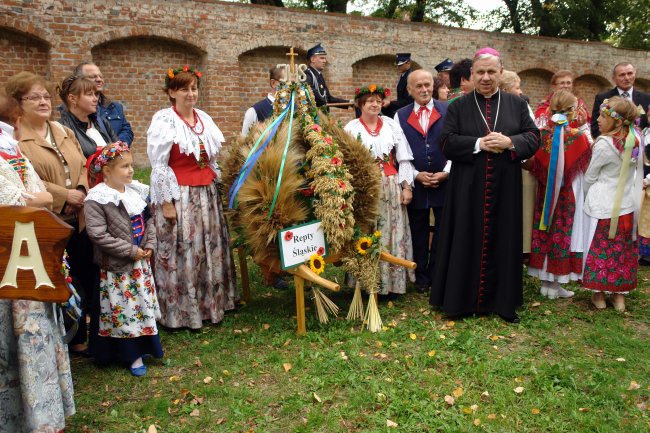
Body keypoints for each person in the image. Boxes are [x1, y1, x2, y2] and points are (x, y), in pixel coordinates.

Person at [429, 47, 540, 323]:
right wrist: (477, 143)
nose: (486, 77)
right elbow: (445, 143)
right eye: (481, 72)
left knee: (504, 239)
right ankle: (459, 302)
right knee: (465, 238)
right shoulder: (457, 106)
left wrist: (510, 142)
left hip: (505, 187)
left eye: (492, 71)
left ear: (501, 73)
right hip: (466, 188)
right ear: (472, 75)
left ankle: (503, 304)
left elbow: (534, 137)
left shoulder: (517, 105)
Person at [0, 93, 76, 433]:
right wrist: (31, 199)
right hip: (6, 261)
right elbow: (11, 203)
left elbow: (42, 196)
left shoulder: (11, 151)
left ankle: (42, 417)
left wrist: (31, 199)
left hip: (28, 259)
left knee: (35, 336)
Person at [6, 72, 92, 354]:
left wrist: (79, 189)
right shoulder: (18, 140)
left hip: (77, 214)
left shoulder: (62, 130)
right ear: (18, 104)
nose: (43, 102)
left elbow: (81, 163)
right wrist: (63, 196)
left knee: (82, 270)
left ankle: (81, 335)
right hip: (49, 217)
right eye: (34, 97)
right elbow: (28, 181)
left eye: (45, 96)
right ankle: (63, 336)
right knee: (56, 275)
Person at [147, 65, 237, 329]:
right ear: (171, 92)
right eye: (183, 89)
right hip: (181, 195)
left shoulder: (203, 119)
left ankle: (212, 305)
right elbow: (159, 165)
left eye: (194, 88)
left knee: (208, 247)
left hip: (206, 194)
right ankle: (183, 312)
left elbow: (211, 160)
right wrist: (166, 203)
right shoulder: (164, 121)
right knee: (185, 249)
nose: (190, 94)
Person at [84, 142, 163, 376]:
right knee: (124, 309)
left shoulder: (135, 192)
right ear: (107, 171)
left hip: (140, 263)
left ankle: (148, 346)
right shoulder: (97, 199)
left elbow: (149, 221)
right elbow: (98, 234)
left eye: (131, 165)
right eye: (124, 167)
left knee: (141, 305)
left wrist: (149, 244)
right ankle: (131, 354)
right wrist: (130, 250)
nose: (130, 170)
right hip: (118, 267)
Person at [344, 84, 415, 295]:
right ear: (360, 105)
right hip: (364, 185)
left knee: (389, 229)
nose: (374, 104)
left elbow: (403, 158)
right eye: (369, 101)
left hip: (390, 184)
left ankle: (392, 283)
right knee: (366, 229)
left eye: (377, 100)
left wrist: (406, 187)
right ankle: (365, 282)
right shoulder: (351, 128)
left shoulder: (391, 125)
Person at [527, 90, 591, 299]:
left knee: (546, 228)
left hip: (545, 191)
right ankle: (555, 284)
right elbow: (585, 163)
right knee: (563, 232)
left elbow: (535, 162)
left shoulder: (542, 134)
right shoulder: (577, 136)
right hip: (568, 192)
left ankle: (547, 282)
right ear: (571, 111)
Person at [583, 97, 642, 312]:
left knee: (600, 248)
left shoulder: (604, 144)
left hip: (603, 205)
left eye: (603, 116)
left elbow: (590, 176)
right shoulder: (636, 139)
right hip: (628, 203)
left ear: (617, 121)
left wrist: (587, 194)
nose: (597, 119)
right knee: (621, 250)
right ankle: (619, 297)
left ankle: (599, 294)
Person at [393, 70, 449, 294]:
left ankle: (438, 273)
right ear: (410, 90)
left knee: (443, 230)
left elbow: (456, 142)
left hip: (445, 180)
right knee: (418, 230)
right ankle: (422, 277)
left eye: (428, 85)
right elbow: (400, 150)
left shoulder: (448, 109)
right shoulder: (400, 115)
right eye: (419, 86)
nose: (425, 89)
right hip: (417, 181)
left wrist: (446, 171)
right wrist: (415, 174)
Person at [500, 70, 537, 259]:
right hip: (503, 164)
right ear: (506, 89)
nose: (521, 91)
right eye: (517, 87)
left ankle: (523, 249)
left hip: (521, 162)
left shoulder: (521, 105)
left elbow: (531, 133)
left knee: (523, 208)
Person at [58, 74, 119, 158]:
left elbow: (118, 151)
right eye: (90, 94)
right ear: (72, 98)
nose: (95, 99)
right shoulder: (62, 129)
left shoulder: (101, 122)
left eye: (95, 94)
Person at [74, 62, 134, 145]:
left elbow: (126, 130)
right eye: (92, 77)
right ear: (79, 80)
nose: (99, 80)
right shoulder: (74, 109)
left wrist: (118, 146)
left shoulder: (115, 107)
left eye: (100, 76)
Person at [590, 63, 650, 139]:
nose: (627, 78)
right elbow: (596, 128)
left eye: (630, 73)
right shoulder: (603, 98)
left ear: (635, 75)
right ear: (614, 78)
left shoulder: (647, 98)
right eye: (622, 75)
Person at [535, 70, 592, 141]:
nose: (566, 86)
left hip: (575, 143)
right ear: (554, 86)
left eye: (568, 83)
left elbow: (587, 126)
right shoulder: (544, 105)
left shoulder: (580, 104)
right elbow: (540, 129)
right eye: (562, 83)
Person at [304, 43, 351, 110]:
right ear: (312, 59)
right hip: (314, 116)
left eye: (325, 59)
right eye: (322, 58)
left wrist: (349, 103)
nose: (325, 61)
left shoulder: (319, 75)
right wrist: (325, 103)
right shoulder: (307, 74)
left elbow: (328, 98)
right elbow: (310, 92)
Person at [241, 66, 285, 135]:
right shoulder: (255, 111)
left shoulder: (296, 109)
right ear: (273, 83)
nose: (292, 87)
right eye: (286, 83)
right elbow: (244, 141)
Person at [383, 53, 415, 118]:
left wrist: (390, 103)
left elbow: (409, 101)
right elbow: (402, 97)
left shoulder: (410, 77)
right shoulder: (404, 75)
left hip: (408, 110)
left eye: (400, 65)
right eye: (397, 65)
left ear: (408, 63)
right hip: (403, 108)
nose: (397, 67)